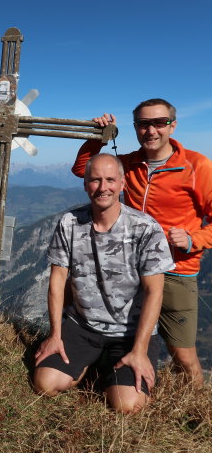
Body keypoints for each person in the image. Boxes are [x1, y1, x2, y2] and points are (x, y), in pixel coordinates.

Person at [72, 98, 212, 386]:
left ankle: (198, 411)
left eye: (159, 123)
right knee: (125, 337)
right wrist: (98, 137)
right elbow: (83, 169)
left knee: (183, 355)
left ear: (172, 125)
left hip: (176, 270)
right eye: (143, 124)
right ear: (135, 127)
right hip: (130, 271)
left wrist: (193, 239)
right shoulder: (129, 163)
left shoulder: (197, 166)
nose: (151, 130)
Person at [33, 154, 174, 413]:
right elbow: (57, 281)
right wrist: (55, 335)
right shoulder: (70, 223)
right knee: (46, 384)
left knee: (128, 406)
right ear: (85, 184)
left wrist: (140, 350)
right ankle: (90, 364)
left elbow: (154, 291)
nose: (103, 187)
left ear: (122, 184)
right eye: (95, 180)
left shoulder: (146, 228)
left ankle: (104, 369)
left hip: (129, 333)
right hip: (83, 325)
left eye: (110, 180)